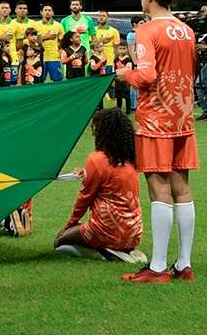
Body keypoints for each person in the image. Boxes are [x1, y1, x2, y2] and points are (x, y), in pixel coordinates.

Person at [118, 0, 198, 284]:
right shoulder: (186, 30)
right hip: (183, 117)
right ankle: (184, 264)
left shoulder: (147, 31)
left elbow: (148, 76)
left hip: (155, 120)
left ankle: (158, 267)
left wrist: (127, 75)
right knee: (182, 187)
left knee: (158, 188)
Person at [54, 108, 146, 264]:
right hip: (134, 232)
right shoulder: (131, 157)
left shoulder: (96, 159)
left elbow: (84, 199)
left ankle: (104, 252)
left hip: (105, 230)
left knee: (59, 243)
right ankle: (124, 250)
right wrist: (86, 172)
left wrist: (69, 226)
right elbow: (114, 176)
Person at [38, 4, 63, 82]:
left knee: (57, 81)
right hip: (39, 58)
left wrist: (59, 52)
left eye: (49, 10)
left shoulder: (59, 26)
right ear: (41, 12)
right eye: (45, 10)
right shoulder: (35, 25)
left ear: (53, 13)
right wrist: (47, 36)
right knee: (39, 81)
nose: (47, 12)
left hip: (54, 58)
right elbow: (33, 40)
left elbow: (61, 42)